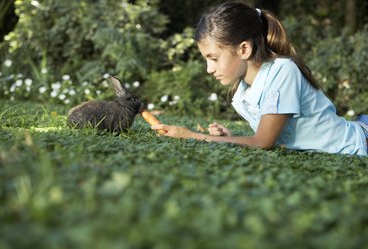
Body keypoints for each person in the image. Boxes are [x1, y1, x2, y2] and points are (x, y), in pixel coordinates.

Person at [152, 1, 368, 156]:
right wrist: (229, 137)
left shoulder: (283, 71)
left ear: (244, 49)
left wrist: (189, 135)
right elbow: (275, 139)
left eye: (214, 58)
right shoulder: (243, 90)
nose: (209, 69)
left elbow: (263, 142)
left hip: (359, 142)